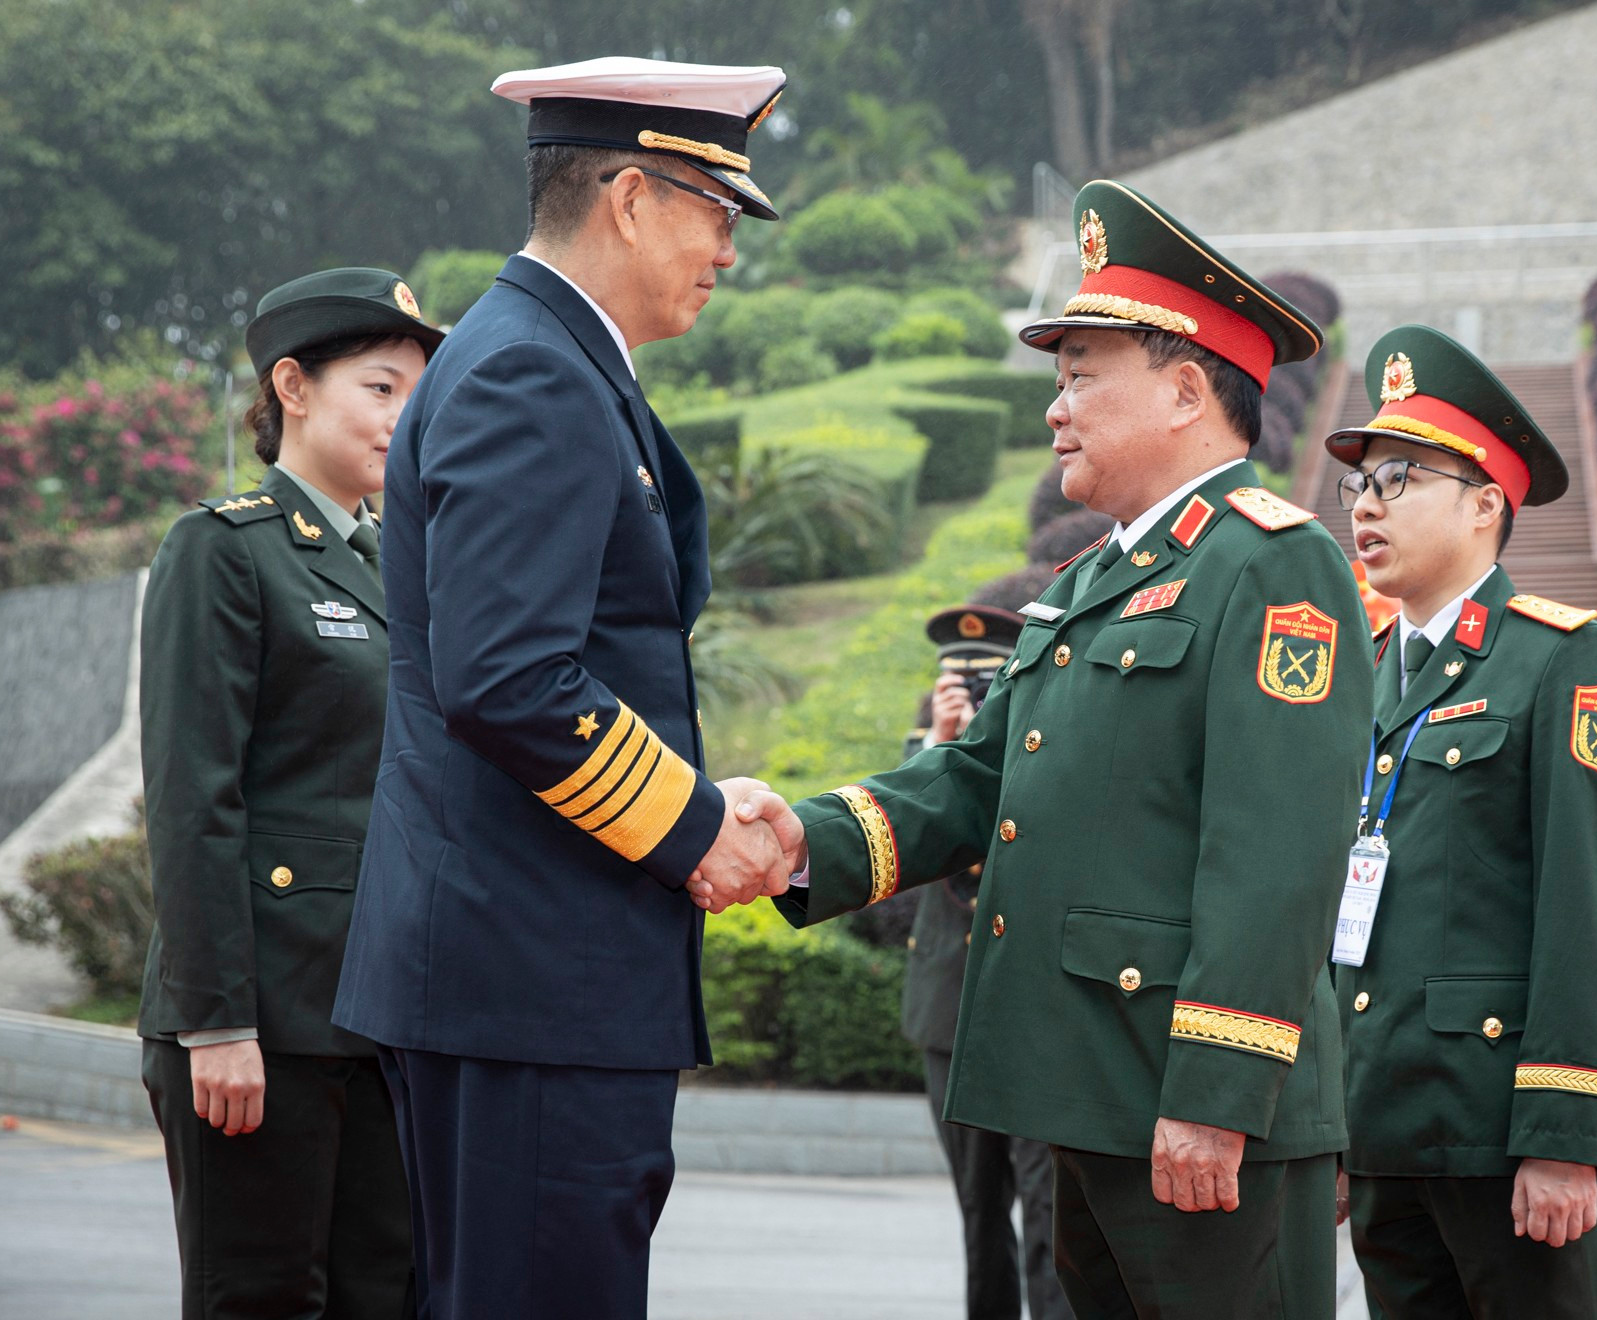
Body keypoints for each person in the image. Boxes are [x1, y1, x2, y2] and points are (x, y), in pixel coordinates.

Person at [728, 179, 1372, 1319]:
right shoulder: (1094, 581)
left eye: (1081, 376)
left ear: (1186, 389)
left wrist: (1215, 1095)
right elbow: (982, 779)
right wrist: (802, 838)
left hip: (1190, 1108)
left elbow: (1275, 854)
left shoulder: (1273, 565)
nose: (1055, 410)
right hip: (1090, 1094)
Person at [329, 57, 793, 1319]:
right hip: (530, 978)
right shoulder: (534, 371)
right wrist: (697, 831)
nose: (729, 251)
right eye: (716, 211)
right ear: (632, 198)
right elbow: (511, 679)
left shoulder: (544, 357)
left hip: (523, 973)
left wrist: (694, 804)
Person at [136, 267, 443, 1317]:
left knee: (384, 1300)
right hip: (264, 1022)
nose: (406, 418)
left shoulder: (407, 566)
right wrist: (216, 1023)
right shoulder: (226, 553)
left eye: (417, 394)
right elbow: (193, 802)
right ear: (294, 388)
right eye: (381, 387)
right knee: (261, 1299)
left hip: (384, 1018)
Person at [1323, 324, 1597, 1318]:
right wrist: (1331, 1120)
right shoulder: (1360, 674)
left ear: (1484, 504)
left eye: (1401, 478)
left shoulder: (1561, 661)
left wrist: (1565, 1134)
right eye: (1360, 483)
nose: (1368, 506)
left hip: (1501, 1128)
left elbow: (1589, 910)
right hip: (1380, 1125)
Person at [905, 600, 1070, 1320]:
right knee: (978, 1208)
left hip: (1038, 1018)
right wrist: (939, 749)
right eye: (960, 686)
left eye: (986, 683)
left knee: (1049, 1205)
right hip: (950, 1013)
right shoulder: (923, 761)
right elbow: (901, 868)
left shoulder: (1050, 749)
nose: (973, 700)